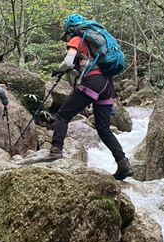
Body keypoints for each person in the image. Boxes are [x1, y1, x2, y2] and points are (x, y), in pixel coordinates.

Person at [49, 14, 133, 180]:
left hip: (92, 82)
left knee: (63, 115)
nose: (67, 38)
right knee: (104, 129)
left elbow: (68, 62)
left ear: (70, 31)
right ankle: (123, 164)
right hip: (107, 85)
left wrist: (58, 70)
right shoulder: (95, 42)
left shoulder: (77, 38)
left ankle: (56, 150)